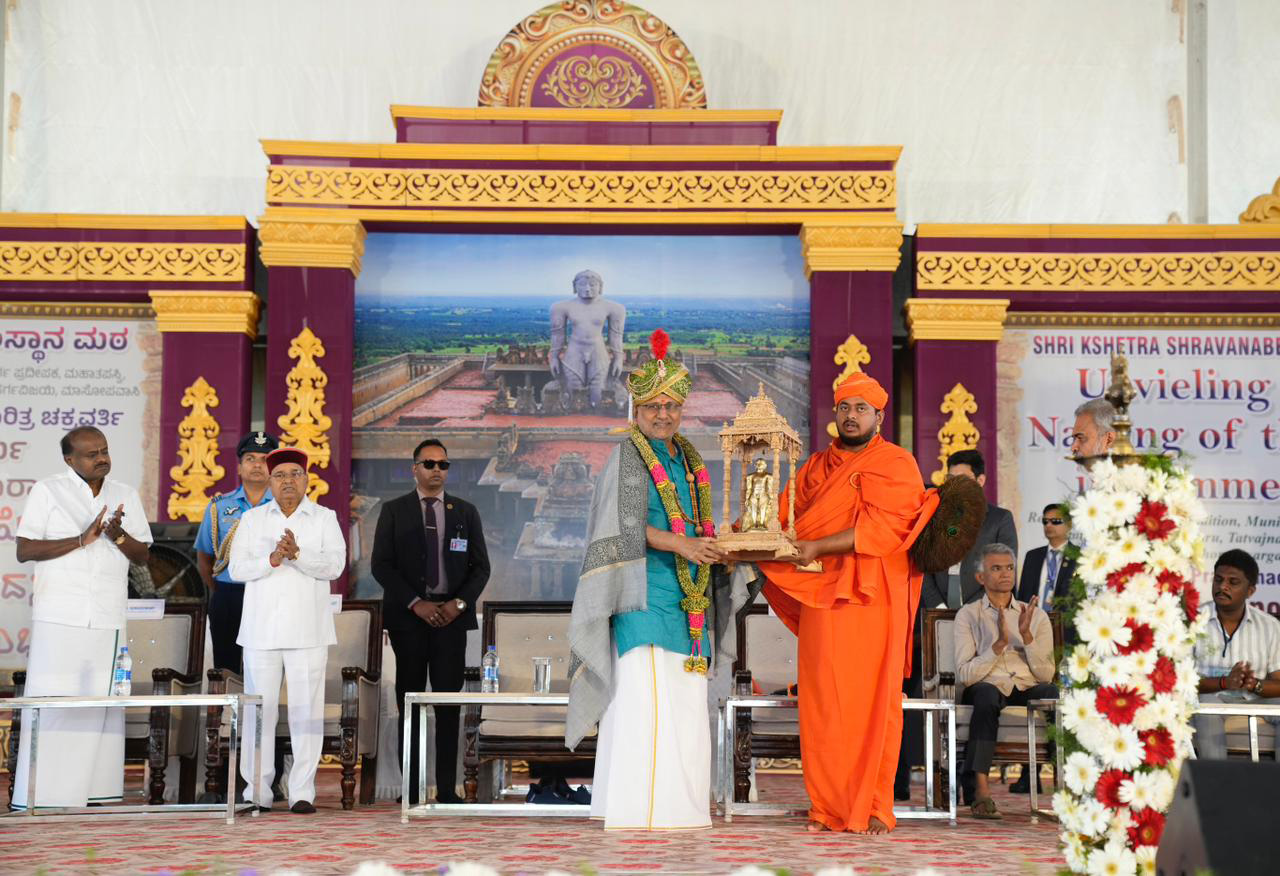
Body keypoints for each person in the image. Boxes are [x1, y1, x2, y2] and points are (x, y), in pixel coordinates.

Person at [566, 329, 755, 831]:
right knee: (645, 707)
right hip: (642, 599)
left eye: (672, 406)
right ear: (637, 409)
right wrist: (683, 544)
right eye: (653, 406)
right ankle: (644, 812)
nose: (663, 415)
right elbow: (622, 526)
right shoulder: (628, 455)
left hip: (687, 606)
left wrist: (720, 546)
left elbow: (694, 528)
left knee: (686, 710)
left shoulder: (688, 459)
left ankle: (680, 808)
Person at [757, 372, 940, 835]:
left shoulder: (897, 464)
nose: (851, 416)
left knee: (872, 703)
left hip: (872, 599)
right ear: (833, 415)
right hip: (823, 598)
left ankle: (875, 804)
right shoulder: (814, 467)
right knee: (821, 705)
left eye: (861, 409)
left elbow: (886, 531)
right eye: (844, 408)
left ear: (879, 416)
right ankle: (826, 806)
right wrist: (739, 533)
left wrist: (820, 546)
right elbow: (780, 517)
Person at [13, 426, 152, 809]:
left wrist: (118, 535)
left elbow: (142, 556)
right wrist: (82, 539)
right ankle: (41, 796)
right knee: (56, 704)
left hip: (108, 617)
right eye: (91, 454)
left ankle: (96, 793)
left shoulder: (124, 493)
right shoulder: (48, 490)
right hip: (59, 615)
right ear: (69, 460)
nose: (101, 458)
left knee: (101, 705)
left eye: (105, 450)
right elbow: (25, 550)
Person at [371, 437, 490, 805]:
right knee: (409, 699)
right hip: (409, 620)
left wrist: (457, 604)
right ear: (415, 469)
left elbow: (480, 567)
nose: (437, 470)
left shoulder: (464, 511)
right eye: (429, 464)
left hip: (451, 622)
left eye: (443, 465)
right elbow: (381, 566)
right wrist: (415, 603)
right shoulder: (394, 510)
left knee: (447, 703)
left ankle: (447, 788)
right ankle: (411, 788)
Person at [228, 447, 346, 813]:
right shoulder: (253, 520)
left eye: (295, 474)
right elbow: (236, 570)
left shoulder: (324, 518)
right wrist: (272, 559)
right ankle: (257, 792)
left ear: (307, 480)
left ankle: (302, 792)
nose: (287, 482)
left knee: (305, 712)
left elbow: (335, 567)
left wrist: (297, 555)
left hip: (308, 631)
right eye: (280, 476)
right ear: (270, 481)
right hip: (261, 632)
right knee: (259, 713)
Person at [954, 543, 1056, 819]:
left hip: (1025, 686)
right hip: (986, 686)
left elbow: (1046, 674)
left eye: (1009, 568)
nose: (1005, 574)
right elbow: (965, 674)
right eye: (996, 568)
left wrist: (1027, 638)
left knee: (1054, 694)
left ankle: (1069, 790)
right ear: (980, 577)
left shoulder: (1035, 615)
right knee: (986, 695)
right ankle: (981, 791)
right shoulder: (968, 615)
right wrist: (998, 645)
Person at [194, 431, 278, 673]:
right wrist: (220, 588)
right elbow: (205, 556)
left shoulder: (285, 508)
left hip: (270, 593)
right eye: (250, 458)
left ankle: (263, 711)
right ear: (239, 467)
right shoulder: (219, 507)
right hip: (229, 594)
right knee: (226, 666)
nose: (257, 465)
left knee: (266, 668)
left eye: (265, 459)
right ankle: (223, 711)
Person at [1192, 549, 1280, 760]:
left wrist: (1254, 685)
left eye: (1233, 582)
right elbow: (1181, 683)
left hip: (1256, 699)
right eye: (1219, 579)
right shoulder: (1194, 621)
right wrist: (1224, 682)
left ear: (1250, 591)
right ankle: (1218, 785)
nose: (1223, 587)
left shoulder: (1270, 626)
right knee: (1206, 707)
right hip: (1211, 699)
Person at [922, 449, 1018, 609]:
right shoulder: (934, 516)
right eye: (950, 479)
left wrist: (970, 611)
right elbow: (923, 567)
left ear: (980, 480)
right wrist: (939, 607)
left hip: (984, 613)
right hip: (937, 612)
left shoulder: (1000, 519)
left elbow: (1004, 572)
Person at [549, 269, 627, 408]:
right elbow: (557, 334)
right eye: (582, 284)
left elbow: (616, 335)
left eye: (592, 284)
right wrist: (554, 357)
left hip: (597, 349)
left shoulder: (614, 308)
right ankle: (572, 420)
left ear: (600, 287)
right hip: (575, 349)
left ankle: (597, 415)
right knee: (573, 388)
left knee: (598, 389)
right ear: (574, 286)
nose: (587, 289)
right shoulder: (560, 307)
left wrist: (618, 358)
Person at [1017, 502, 1075, 612]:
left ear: (1069, 524)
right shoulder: (1032, 556)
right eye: (1045, 521)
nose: (1048, 525)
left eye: (1055, 521)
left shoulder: (1079, 557)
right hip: (1034, 624)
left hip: (1066, 625)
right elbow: (1023, 595)